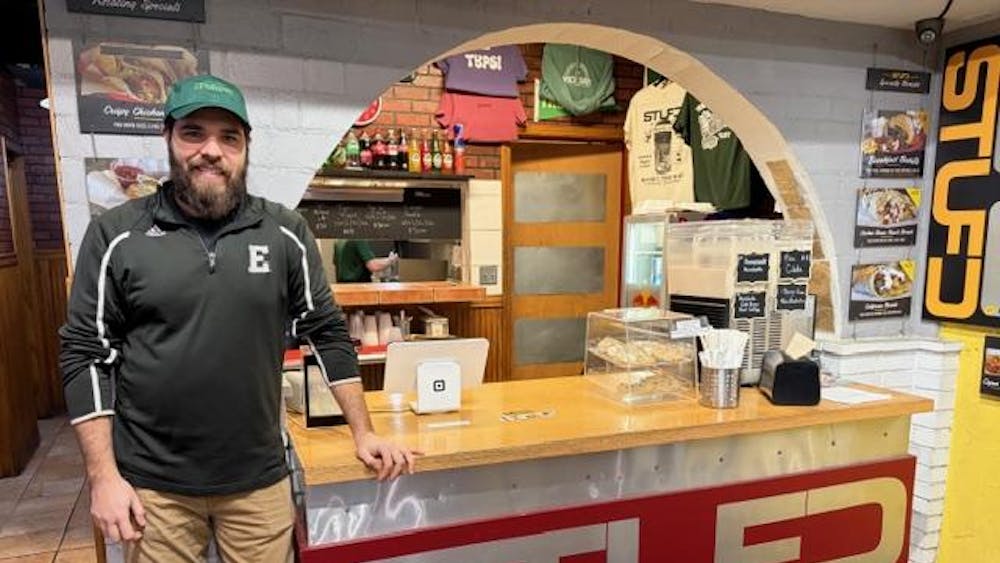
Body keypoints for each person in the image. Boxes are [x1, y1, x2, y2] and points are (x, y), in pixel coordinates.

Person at [59, 75, 420, 562]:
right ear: (168, 139)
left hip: (258, 481)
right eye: (194, 133)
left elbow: (328, 333)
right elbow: (86, 355)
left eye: (229, 137)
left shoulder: (284, 232)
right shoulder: (118, 234)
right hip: (154, 488)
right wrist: (103, 478)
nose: (212, 150)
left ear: (246, 147)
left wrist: (364, 431)